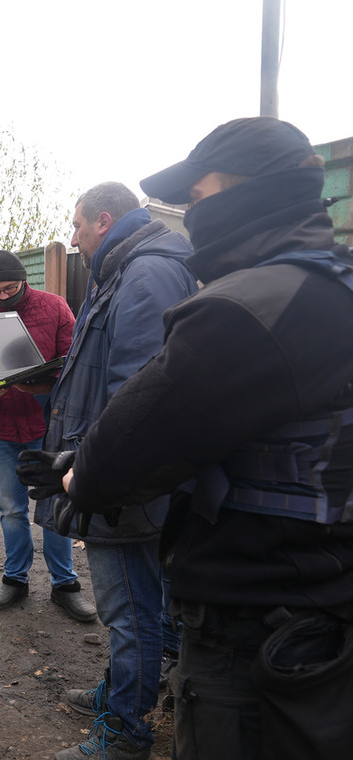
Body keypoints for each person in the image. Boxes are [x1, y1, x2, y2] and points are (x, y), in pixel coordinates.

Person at [39, 117, 353, 760]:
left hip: (257, 615)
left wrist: (82, 469)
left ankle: (124, 730)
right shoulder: (334, 286)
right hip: (324, 593)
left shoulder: (247, 308)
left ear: (251, 191)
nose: (190, 214)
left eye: (200, 198)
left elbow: (141, 428)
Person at [20, 183, 196, 760]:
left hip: (120, 480)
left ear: (102, 219)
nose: (72, 238)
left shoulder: (143, 275)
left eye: (76, 226)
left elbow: (138, 398)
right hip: (119, 469)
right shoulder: (131, 269)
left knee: (129, 609)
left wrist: (93, 472)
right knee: (148, 604)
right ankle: (129, 690)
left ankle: (125, 733)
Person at [0, 250, 94, 621]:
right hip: (0, 428)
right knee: (11, 509)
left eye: (10, 288)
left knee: (54, 505)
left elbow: (75, 361)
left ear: (24, 280)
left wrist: (44, 383)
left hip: (48, 425)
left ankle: (65, 585)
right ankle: (15, 579)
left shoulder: (55, 307)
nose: (2, 295)